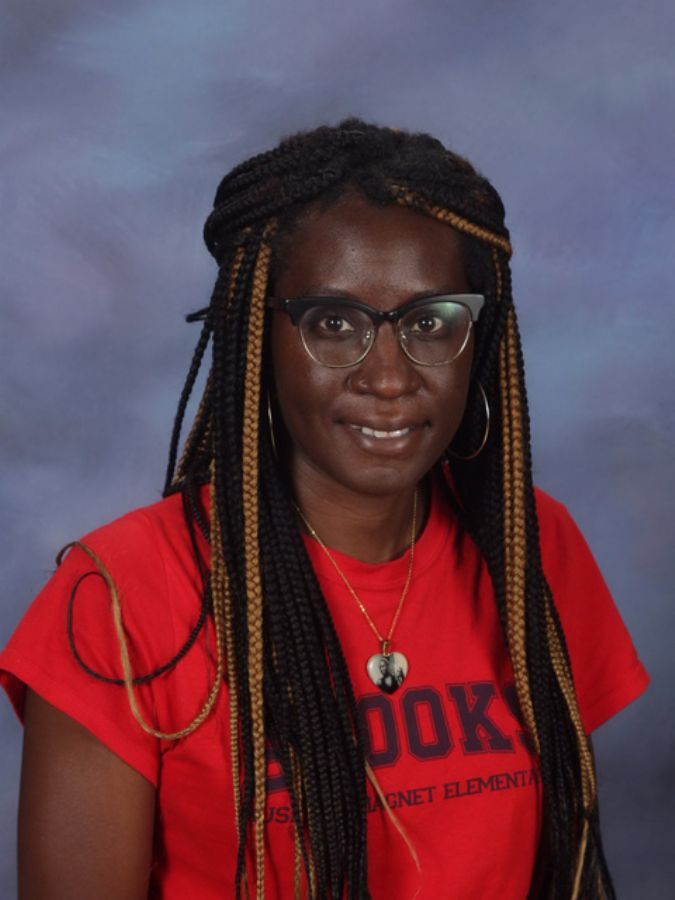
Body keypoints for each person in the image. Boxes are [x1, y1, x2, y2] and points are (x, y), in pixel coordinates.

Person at [0, 119, 649, 899]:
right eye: (333, 323)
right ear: (257, 335)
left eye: (430, 322)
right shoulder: (119, 598)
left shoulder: (529, 549)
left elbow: (566, 863)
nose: (388, 377)